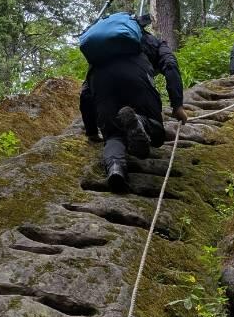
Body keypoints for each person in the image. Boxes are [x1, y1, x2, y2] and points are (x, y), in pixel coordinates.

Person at [80, 14, 189, 192]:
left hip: (101, 81)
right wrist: (177, 105)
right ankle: (140, 122)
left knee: (113, 136)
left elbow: (85, 94)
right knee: (157, 134)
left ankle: (116, 170)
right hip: (136, 75)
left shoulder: (99, 55)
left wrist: (91, 131)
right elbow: (170, 65)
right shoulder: (149, 40)